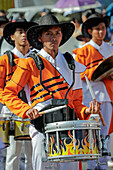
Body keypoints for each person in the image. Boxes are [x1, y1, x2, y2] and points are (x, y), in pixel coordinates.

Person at [3, 14, 100, 170]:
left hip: (69, 125)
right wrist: (26, 110)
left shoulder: (71, 63)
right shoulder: (29, 63)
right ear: (40, 38)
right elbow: (8, 93)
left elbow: (75, 102)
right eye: (48, 34)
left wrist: (87, 110)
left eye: (57, 33)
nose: (53, 38)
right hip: (42, 126)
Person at [73, 14, 113, 170]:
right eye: (97, 29)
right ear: (90, 31)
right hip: (90, 96)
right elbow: (78, 74)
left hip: (108, 95)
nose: (101, 32)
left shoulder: (110, 49)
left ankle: (102, 164)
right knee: (91, 132)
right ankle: (90, 164)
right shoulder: (81, 51)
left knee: (105, 132)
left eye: (103, 29)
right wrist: (95, 71)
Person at [0, 17, 37, 170]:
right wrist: (12, 103)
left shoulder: (36, 59)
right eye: (20, 32)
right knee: (12, 154)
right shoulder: (5, 60)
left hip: (34, 111)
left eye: (27, 32)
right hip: (11, 112)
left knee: (32, 153)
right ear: (11, 36)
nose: (24, 36)